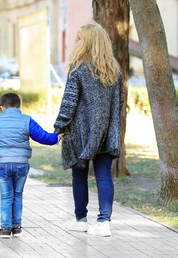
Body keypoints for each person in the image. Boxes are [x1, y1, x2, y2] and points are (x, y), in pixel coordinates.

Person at [53, 22, 123, 237]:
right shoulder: (115, 70)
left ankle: (81, 220)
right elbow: (118, 104)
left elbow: (69, 101)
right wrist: (110, 129)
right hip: (106, 132)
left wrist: (59, 127)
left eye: (79, 38)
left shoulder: (78, 68)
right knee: (104, 176)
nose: (76, 42)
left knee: (79, 176)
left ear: (89, 42)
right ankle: (104, 223)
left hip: (81, 132)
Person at [0, 92, 60, 238]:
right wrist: (56, 138)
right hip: (21, 164)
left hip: (3, 164)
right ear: (19, 106)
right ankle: (16, 227)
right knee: (18, 195)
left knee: (6, 196)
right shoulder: (27, 120)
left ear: (1, 107)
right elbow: (42, 136)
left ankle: (6, 229)